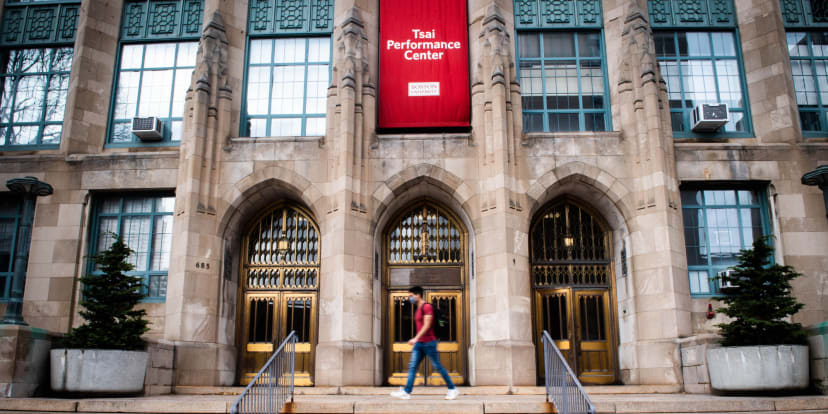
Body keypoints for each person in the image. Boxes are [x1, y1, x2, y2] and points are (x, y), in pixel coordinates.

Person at [390, 286, 459, 400]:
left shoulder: (426, 307)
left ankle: (452, 389)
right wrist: (417, 340)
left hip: (429, 343)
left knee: (437, 366)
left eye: (411, 296)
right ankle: (406, 392)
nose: (410, 298)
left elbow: (427, 325)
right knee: (412, 367)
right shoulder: (418, 308)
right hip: (420, 344)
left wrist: (415, 338)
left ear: (418, 295)